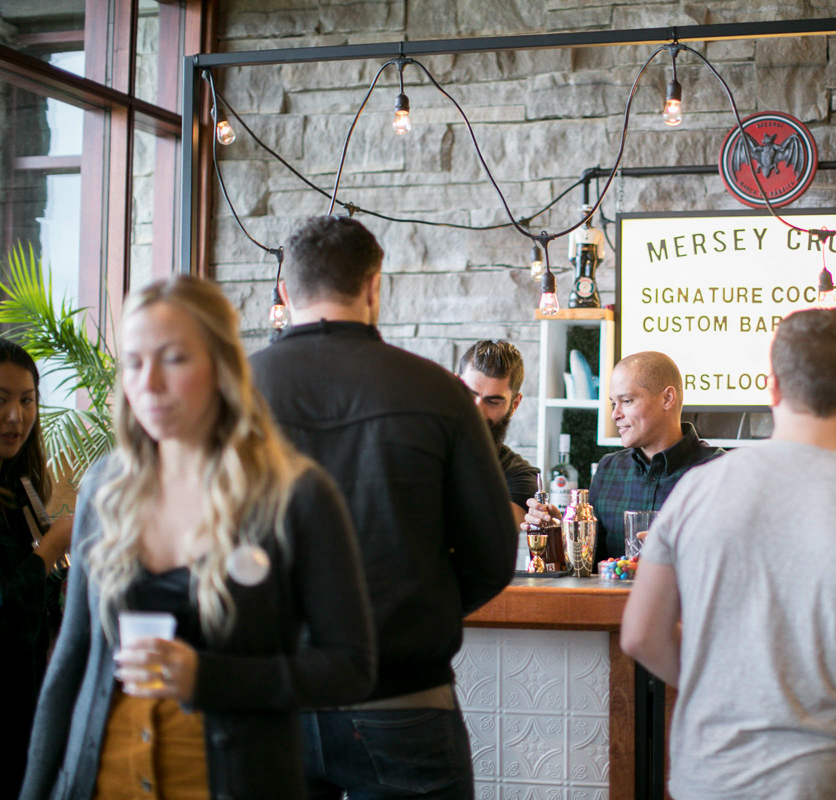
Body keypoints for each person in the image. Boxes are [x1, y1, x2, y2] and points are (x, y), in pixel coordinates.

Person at [20, 275, 375, 800]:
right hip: (98, 781)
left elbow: (351, 668)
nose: (150, 384)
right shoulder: (105, 487)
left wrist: (207, 677)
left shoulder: (294, 495)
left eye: (174, 359)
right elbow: (70, 665)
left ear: (221, 368)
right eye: (135, 362)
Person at [621, 308, 836, 800]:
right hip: (827, 779)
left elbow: (641, 635)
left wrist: (715, 687)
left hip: (709, 773)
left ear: (772, 386)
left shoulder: (696, 491)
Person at [251, 215, 516, 800]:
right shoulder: (440, 394)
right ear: (375, 287)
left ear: (283, 292)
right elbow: (494, 556)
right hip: (403, 696)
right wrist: (420, 605)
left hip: (269, 699)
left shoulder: (231, 393)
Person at [523, 351, 722, 562]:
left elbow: (740, 562)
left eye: (626, 401)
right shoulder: (609, 469)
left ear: (667, 398)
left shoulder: (721, 471)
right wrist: (560, 533)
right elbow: (589, 565)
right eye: (612, 404)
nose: (615, 414)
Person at [0, 339, 73, 799]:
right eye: (1, 399)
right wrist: (49, 551)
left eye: (27, 400)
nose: (15, 416)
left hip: (24, 701)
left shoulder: (19, 485)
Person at [457, 339, 539, 527]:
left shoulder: (518, 477)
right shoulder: (416, 446)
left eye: (493, 402)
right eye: (469, 395)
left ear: (514, 405)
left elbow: (482, 533)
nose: (477, 411)